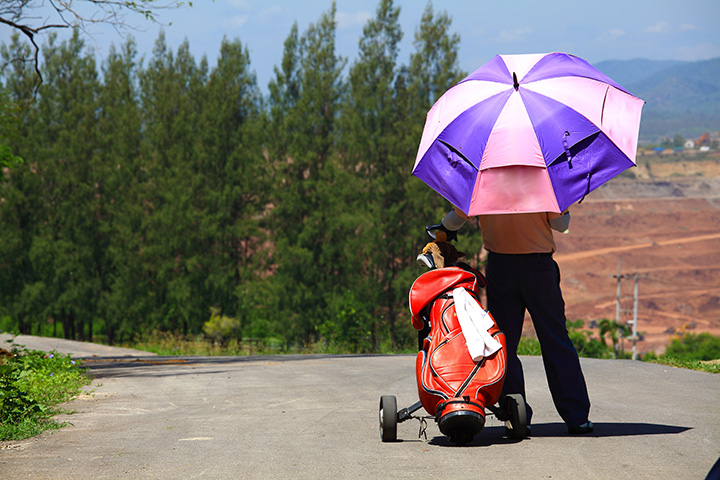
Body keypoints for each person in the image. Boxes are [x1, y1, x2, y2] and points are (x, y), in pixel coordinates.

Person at [438, 207, 593, 436]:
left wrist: (442, 228)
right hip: (538, 266)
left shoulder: (484, 179)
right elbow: (562, 225)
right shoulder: (541, 180)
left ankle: (515, 416)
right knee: (555, 339)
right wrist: (563, 206)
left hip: (501, 266)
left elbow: (453, 222)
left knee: (503, 343)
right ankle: (576, 417)